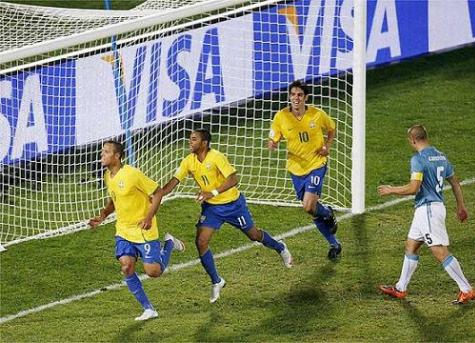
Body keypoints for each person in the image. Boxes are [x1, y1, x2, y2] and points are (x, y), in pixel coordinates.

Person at [160, 129, 293, 303]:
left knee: (254, 235)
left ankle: (280, 247)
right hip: (212, 209)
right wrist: (158, 194)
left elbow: (233, 179)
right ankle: (217, 281)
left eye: (194, 139)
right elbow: (174, 181)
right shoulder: (188, 161)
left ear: (204, 143)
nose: (189, 142)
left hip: (233, 205)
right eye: (190, 139)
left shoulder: (216, 157)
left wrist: (212, 192)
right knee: (201, 242)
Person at [378, 125, 475, 304]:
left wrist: (391, 190)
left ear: (413, 140)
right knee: (411, 245)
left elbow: (414, 188)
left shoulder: (418, 159)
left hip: (428, 210)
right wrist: (461, 206)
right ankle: (400, 288)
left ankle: (466, 289)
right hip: (432, 208)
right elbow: (454, 182)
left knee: (439, 251)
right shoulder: (441, 156)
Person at [88, 140, 185, 321]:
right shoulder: (108, 176)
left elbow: (157, 193)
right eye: (102, 152)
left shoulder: (132, 174)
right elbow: (114, 200)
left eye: (106, 152)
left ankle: (170, 243)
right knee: (126, 266)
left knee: (153, 272)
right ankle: (148, 309)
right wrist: (102, 216)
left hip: (143, 229)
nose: (102, 155)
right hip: (123, 230)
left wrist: (148, 217)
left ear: (117, 156)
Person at [267, 80, 340, 260]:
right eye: (293, 94)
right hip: (295, 168)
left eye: (300, 95)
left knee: (308, 205)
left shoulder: (317, 114)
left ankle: (329, 214)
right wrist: (273, 143)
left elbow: (331, 129)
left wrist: (327, 147)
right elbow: (273, 136)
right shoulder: (281, 116)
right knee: (311, 210)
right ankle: (334, 244)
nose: (296, 98)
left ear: (306, 97)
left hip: (316, 164)